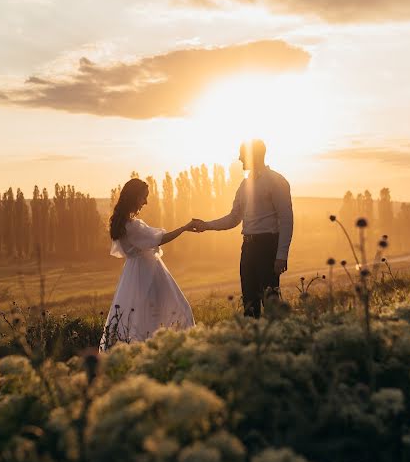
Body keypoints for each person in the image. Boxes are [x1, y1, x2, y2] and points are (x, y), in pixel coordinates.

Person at [192, 139, 293, 318]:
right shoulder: (244, 185)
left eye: (242, 154)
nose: (239, 158)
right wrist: (206, 225)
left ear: (253, 155)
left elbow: (286, 219)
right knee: (249, 302)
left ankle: (277, 342)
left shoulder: (276, 181)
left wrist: (281, 256)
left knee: (270, 303)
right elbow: (233, 219)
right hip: (248, 248)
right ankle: (251, 342)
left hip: (268, 246)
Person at [100, 178, 196, 350]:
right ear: (134, 197)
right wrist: (184, 228)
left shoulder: (122, 223)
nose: (145, 202)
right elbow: (159, 239)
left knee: (142, 316)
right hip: (146, 272)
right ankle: (176, 349)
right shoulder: (132, 226)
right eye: (143, 197)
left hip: (134, 273)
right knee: (178, 308)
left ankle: (151, 349)